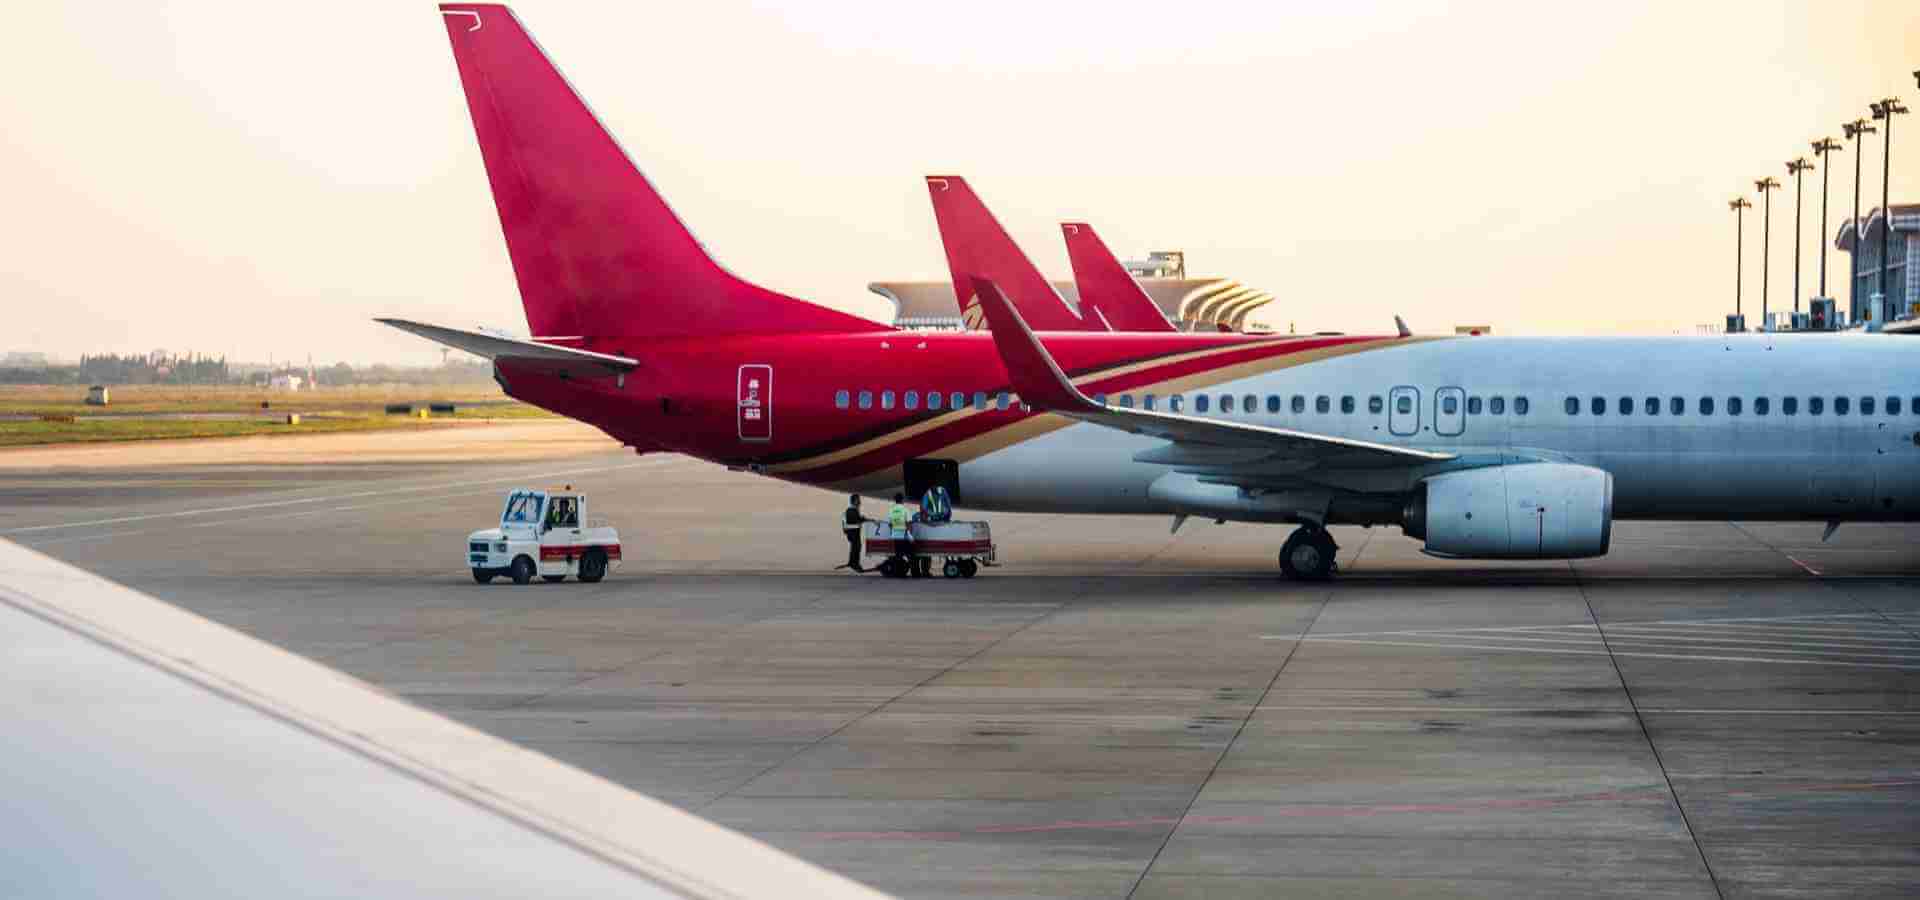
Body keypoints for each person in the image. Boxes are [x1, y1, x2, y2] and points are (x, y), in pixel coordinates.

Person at [888, 492, 916, 576]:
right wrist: (910, 535)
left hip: (895, 536)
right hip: (904, 536)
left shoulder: (891, 510)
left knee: (898, 555)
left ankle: (899, 573)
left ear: (895, 500)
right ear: (902, 500)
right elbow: (909, 523)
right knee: (911, 555)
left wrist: (894, 532)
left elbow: (890, 524)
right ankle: (914, 573)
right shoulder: (905, 509)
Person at [838, 495, 868, 572]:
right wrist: (863, 520)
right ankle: (855, 564)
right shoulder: (852, 510)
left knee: (855, 547)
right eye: (858, 500)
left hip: (852, 532)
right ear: (854, 501)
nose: (860, 502)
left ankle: (852, 562)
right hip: (853, 533)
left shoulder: (851, 510)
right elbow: (855, 520)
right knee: (856, 547)